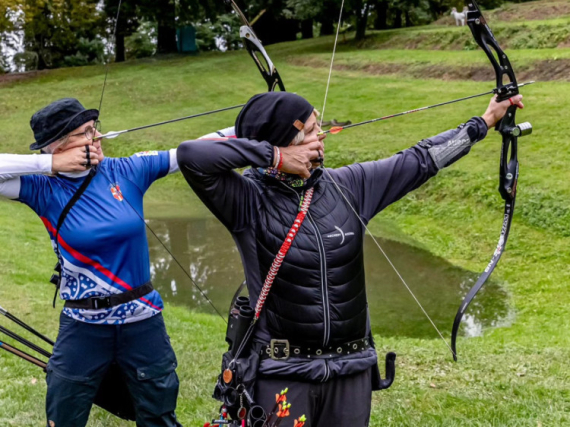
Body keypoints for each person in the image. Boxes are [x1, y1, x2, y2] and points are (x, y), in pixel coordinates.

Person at [176, 90, 525, 427]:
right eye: (311, 131)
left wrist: (485, 121)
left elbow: (421, 160)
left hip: (351, 368)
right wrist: (276, 157)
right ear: (282, 140)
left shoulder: (349, 185)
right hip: (282, 372)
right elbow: (191, 156)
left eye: (319, 126)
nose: (321, 136)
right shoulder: (246, 201)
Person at [0, 98, 183, 427]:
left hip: (142, 320)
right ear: (60, 145)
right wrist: (50, 165)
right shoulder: (41, 186)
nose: (98, 137)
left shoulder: (124, 170)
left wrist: (257, 126)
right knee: (64, 414)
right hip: (83, 325)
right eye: (86, 132)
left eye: (95, 129)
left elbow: (191, 152)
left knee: (159, 416)